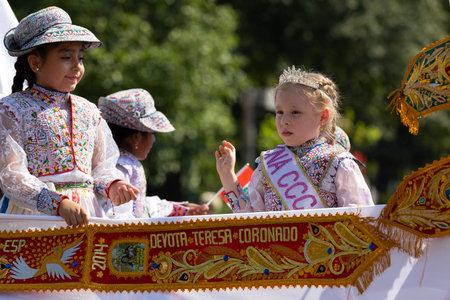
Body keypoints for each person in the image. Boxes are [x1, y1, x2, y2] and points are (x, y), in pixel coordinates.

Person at [0, 6, 139, 226]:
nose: (76, 66)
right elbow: (12, 176)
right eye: (66, 57)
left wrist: (113, 185)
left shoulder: (88, 110)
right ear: (35, 62)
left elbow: (101, 167)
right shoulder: (11, 110)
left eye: (81, 58)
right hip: (37, 219)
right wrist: (57, 203)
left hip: (88, 214)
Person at [215, 66, 374, 212]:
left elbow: (361, 219)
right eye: (279, 112)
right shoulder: (267, 164)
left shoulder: (339, 163)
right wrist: (227, 175)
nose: (284, 120)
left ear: (323, 116)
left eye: (295, 112)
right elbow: (250, 221)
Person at [99, 88, 209, 218]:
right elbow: (133, 214)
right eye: (152, 134)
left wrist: (180, 209)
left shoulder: (103, 161)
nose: (153, 140)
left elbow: (138, 204)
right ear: (137, 137)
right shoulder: (128, 167)